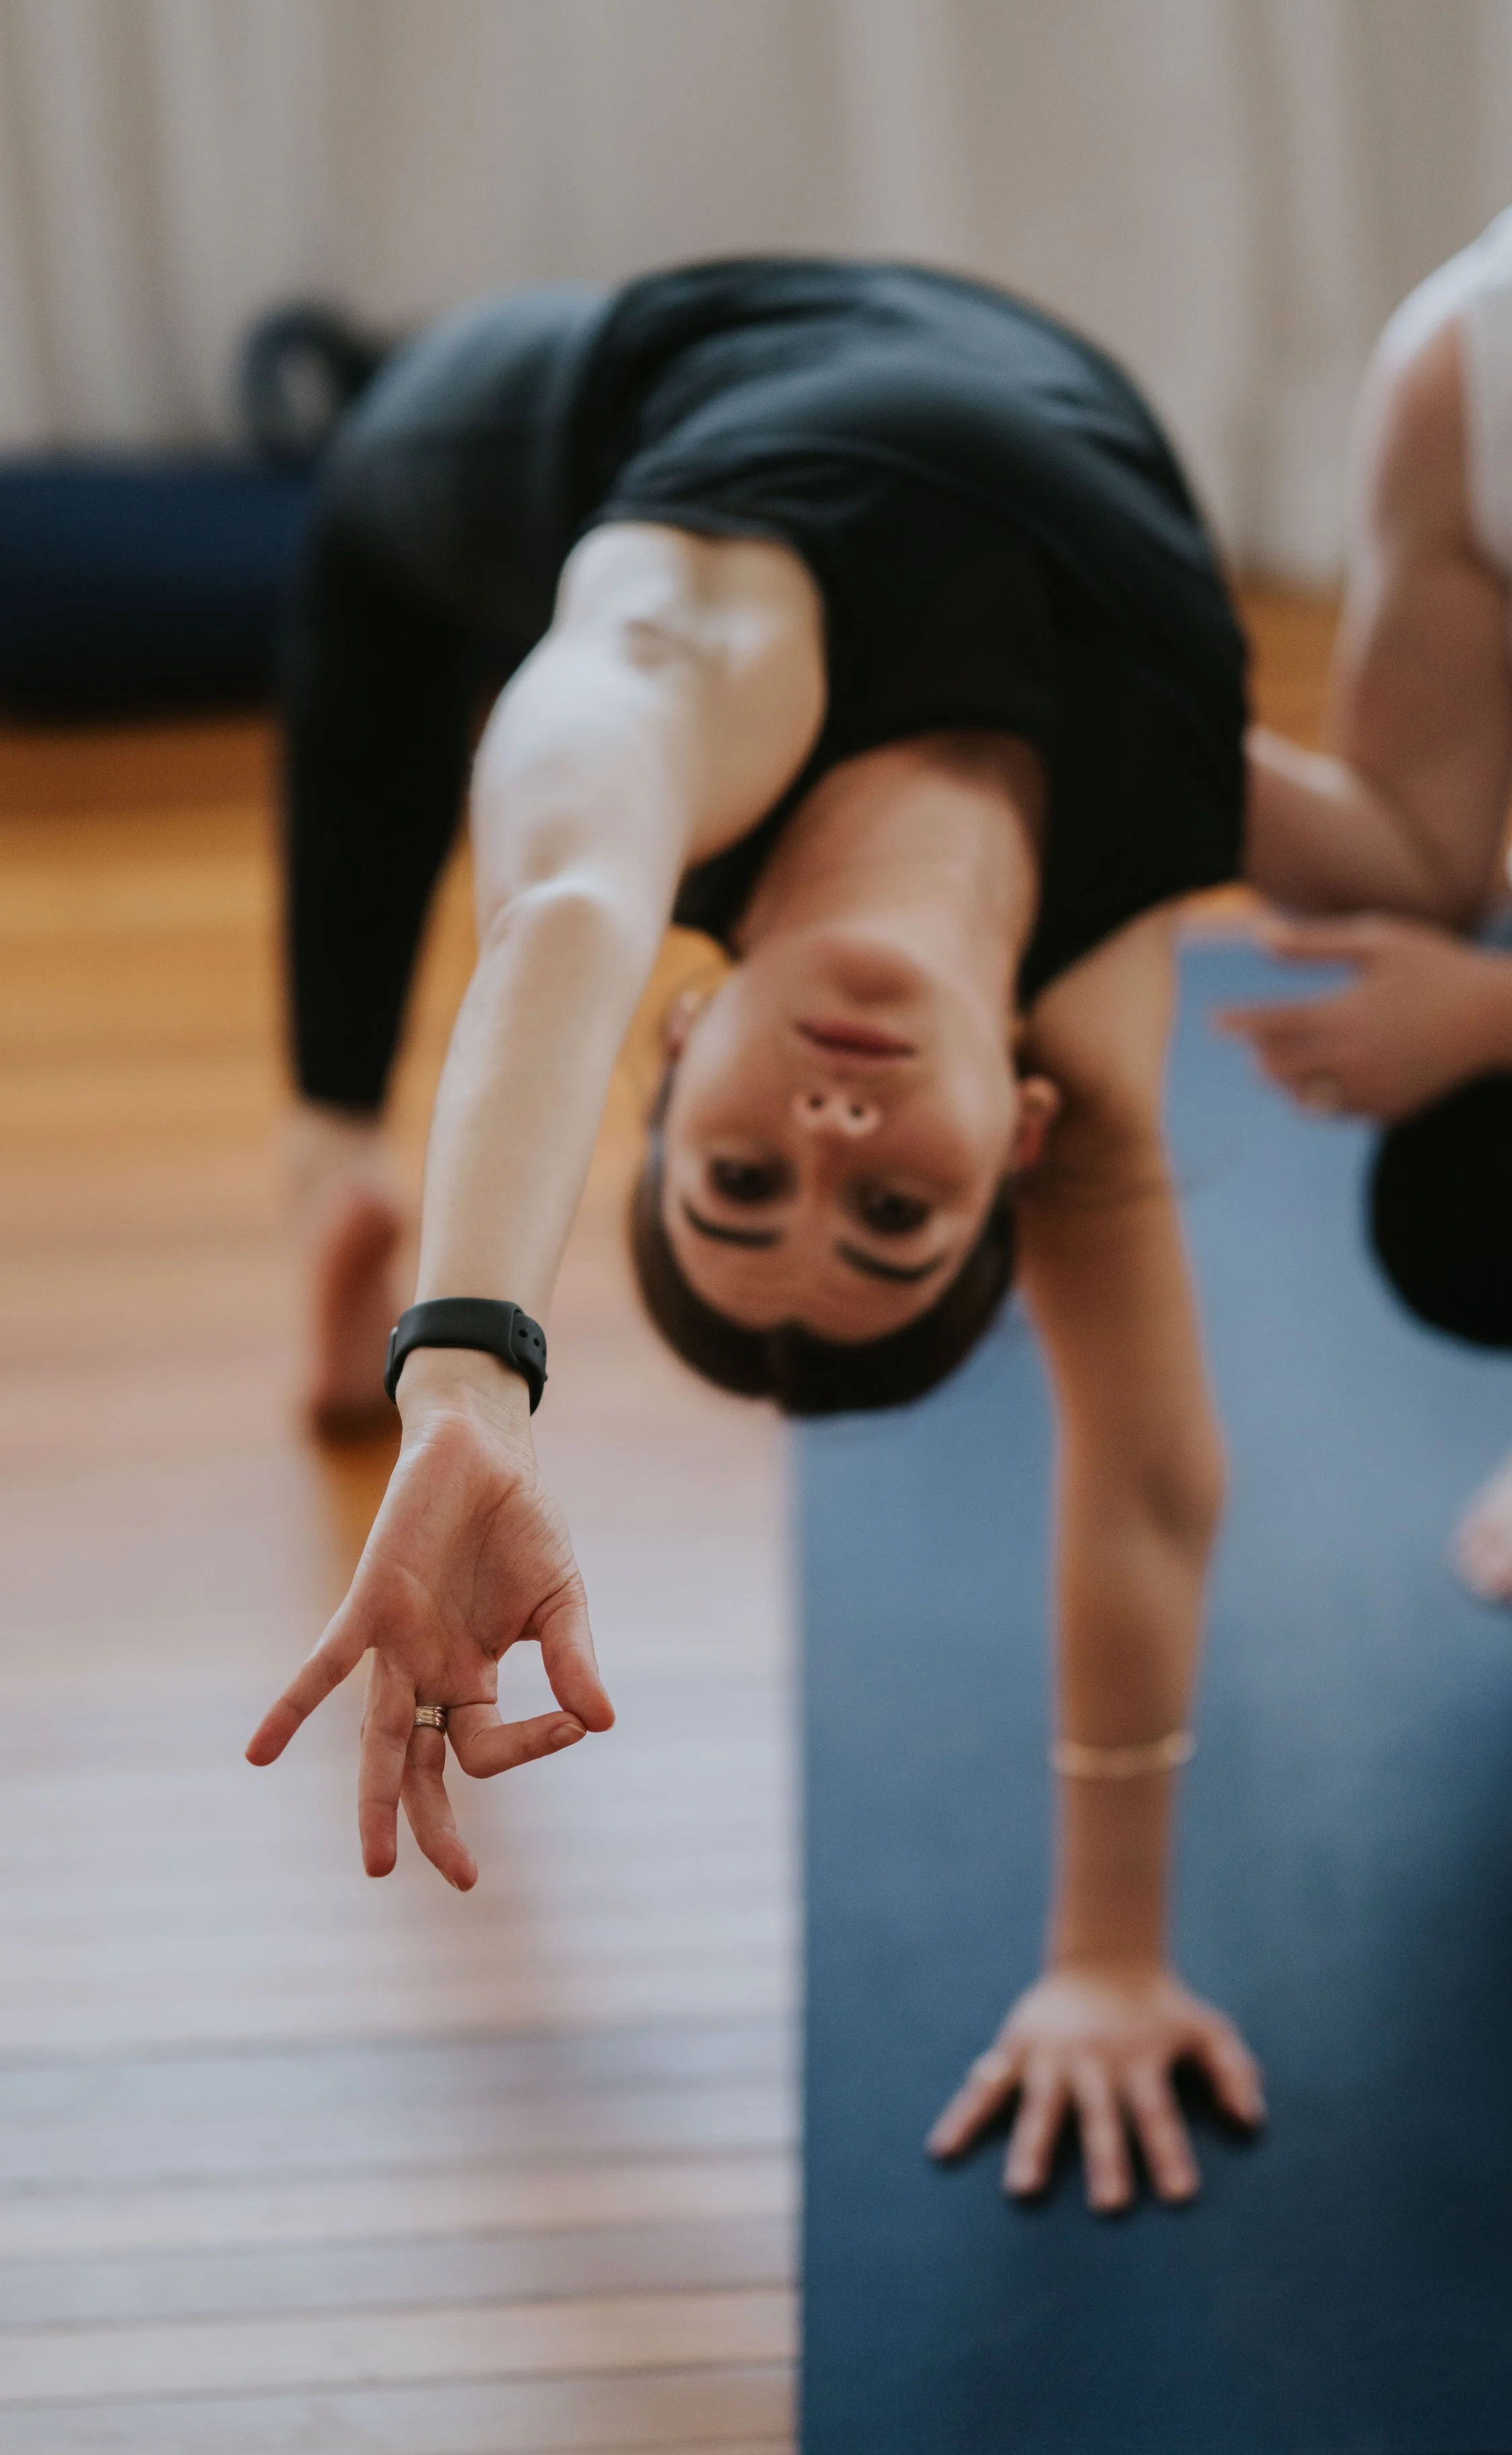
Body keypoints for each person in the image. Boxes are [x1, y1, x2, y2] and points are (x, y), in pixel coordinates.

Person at [247, 257, 1267, 2212]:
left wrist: (464, 1394)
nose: (830, 1133)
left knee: (375, 556)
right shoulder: (1125, 948)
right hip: (934, 396)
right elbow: (1145, 1482)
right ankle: (351, 1197)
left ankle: (339, 1192)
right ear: (1022, 1132)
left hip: (585, 416)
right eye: (894, 1209)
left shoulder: (708, 670)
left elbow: (557, 912)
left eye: (740, 1181)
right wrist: (1105, 1950)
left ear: (685, 1022)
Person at [1229, 7, 1512, 1621]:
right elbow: (1420, 857)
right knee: (1476, 1207)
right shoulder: (1483, 356)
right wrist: (1162, 736)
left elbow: (1466, 972)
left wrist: (1495, 1007)